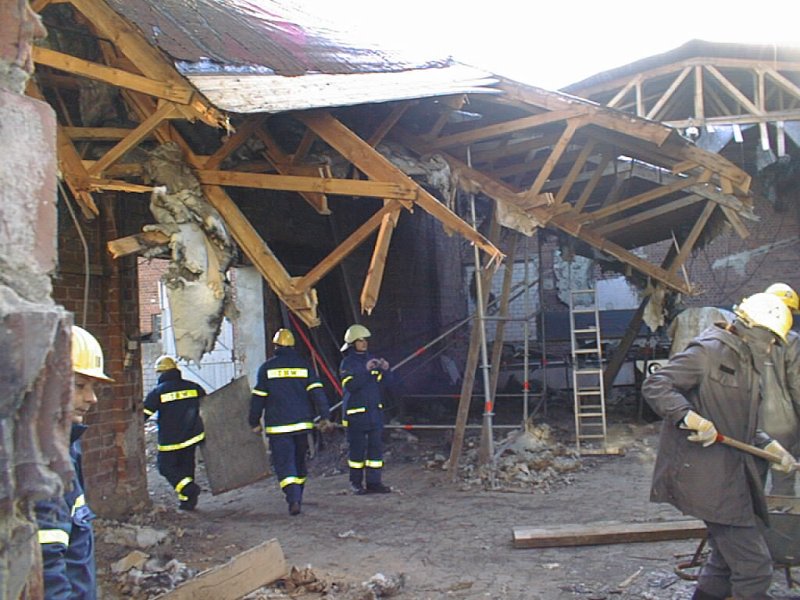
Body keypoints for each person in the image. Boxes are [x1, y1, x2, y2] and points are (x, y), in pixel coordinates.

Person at [643, 292, 796, 600]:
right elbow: (657, 385)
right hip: (709, 479)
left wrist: (772, 448)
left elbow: (744, 423)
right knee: (755, 568)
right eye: (769, 340)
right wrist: (688, 417)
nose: (770, 349)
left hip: (735, 476)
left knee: (725, 560)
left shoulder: (748, 365)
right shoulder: (707, 352)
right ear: (750, 329)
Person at [35, 325, 113, 599]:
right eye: (80, 385)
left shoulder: (66, 446)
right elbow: (47, 569)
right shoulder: (44, 460)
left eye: (92, 387)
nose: (91, 398)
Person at [248, 328, 332, 515]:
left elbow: (258, 399)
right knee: (299, 461)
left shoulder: (266, 369)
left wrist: (254, 422)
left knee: (284, 463)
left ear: (275, 346)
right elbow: (317, 393)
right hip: (302, 426)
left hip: (279, 428)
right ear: (293, 345)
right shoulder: (304, 366)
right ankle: (298, 494)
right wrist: (325, 416)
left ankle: (293, 498)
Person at [143, 355, 205, 510]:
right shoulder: (194, 386)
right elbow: (209, 405)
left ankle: (189, 489)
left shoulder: (158, 392)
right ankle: (187, 502)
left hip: (171, 439)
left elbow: (143, 415)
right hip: (192, 437)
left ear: (161, 373)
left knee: (165, 467)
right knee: (186, 468)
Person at [339, 324, 394, 495]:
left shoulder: (372, 359)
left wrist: (385, 370)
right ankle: (356, 483)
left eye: (365, 341)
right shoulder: (347, 363)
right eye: (360, 341)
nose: (364, 344)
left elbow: (387, 385)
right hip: (356, 416)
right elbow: (351, 386)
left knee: (375, 451)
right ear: (352, 343)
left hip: (374, 414)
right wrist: (365, 370)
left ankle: (374, 483)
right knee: (357, 451)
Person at [761, 282, 800, 496]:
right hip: (783, 427)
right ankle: (780, 525)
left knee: (751, 482)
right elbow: (797, 386)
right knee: (783, 484)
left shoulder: (745, 338)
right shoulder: (792, 342)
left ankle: (751, 527)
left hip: (749, 424)